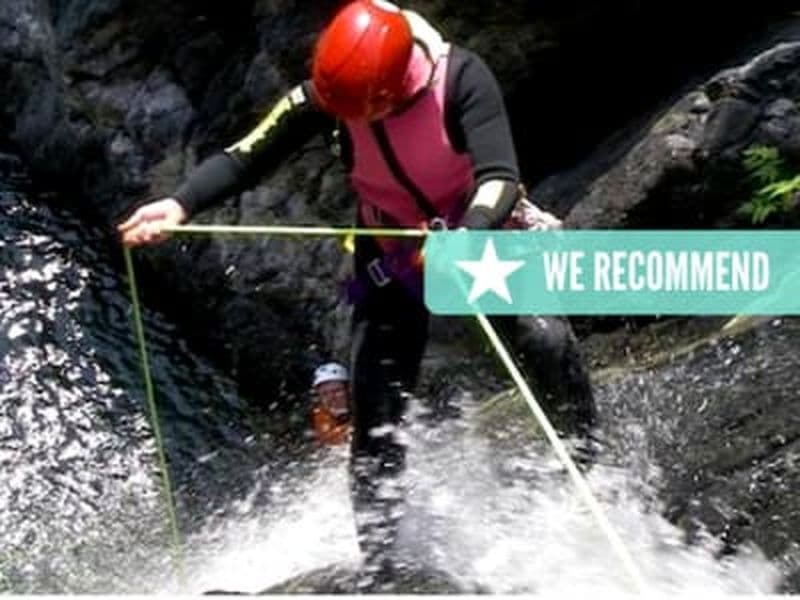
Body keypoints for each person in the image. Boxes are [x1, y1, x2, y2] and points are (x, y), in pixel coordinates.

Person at [118, 0, 597, 586]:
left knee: (543, 341)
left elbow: (498, 174)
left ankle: (586, 468)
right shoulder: (333, 91)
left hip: (476, 236)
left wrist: (467, 236)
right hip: (390, 253)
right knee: (374, 418)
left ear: (392, 89)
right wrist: (179, 203)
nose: (339, 117)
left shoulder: (461, 79)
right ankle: (382, 567)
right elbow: (248, 155)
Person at [310, 362, 352, 446]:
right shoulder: (321, 414)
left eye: (336, 391)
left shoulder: (363, 404)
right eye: (324, 394)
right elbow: (331, 440)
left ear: (348, 390)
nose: (331, 398)